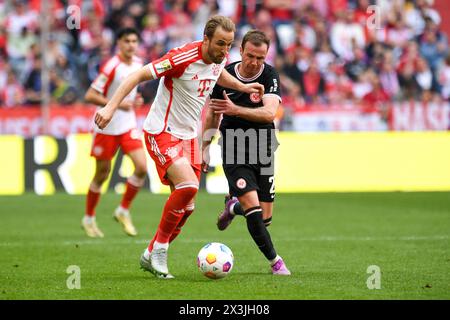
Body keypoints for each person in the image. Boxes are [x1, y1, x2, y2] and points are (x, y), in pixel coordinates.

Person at [94, 15, 264, 278]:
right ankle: (160, 251)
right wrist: (110, 106)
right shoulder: (182, 57)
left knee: (187, 208)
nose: (224, 50)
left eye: (229, 45)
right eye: (220, 43)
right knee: (188, 186)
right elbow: (138, 74)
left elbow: (219, 76)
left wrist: (242, 85)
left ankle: (150, 254)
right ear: (205, 39)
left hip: (188, 137)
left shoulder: (220, 59)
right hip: (161, 131)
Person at [202, 30, 291, 275]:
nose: (254, 62)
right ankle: (276, 263)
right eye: (250, 56)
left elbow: (268, 114)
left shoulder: (270, 75)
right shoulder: (224, 74)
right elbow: (212, 113)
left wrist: (235, 109)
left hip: (264, 146)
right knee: (252, 207)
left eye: (260, 58)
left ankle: (232, 207)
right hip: (234, 146)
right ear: (240, 51)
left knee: (264, 219)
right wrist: (205, 147)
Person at [82, 27, 147, 238]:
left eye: (134, 41)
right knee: (102, 174)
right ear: (118, 43)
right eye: (127, 40)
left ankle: (123, 210)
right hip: (106, 127)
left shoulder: (139, 65)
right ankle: (89, 218)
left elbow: (132, 96)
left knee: (142, 167)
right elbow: (90, 95)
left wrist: (135, 101)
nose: (131, 45)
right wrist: (117, 104)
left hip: (127, 125)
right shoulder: (112, 66)